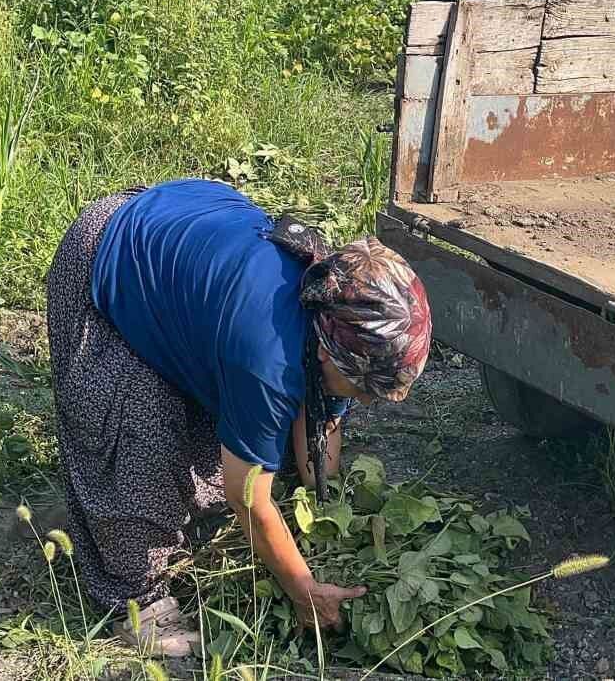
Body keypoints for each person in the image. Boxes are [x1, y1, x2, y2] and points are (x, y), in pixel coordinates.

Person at [44, 179, 432, 656]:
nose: (368, 402)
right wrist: (302, 589)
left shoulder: (333, 301)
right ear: (331, 354)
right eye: (364, 389)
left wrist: (328, 508)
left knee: (233, 439)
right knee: (138, 429)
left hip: (186, 228)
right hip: (107, 250)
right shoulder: (267, 359)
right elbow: (247, 498)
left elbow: (322, 422)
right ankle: (133, 598)